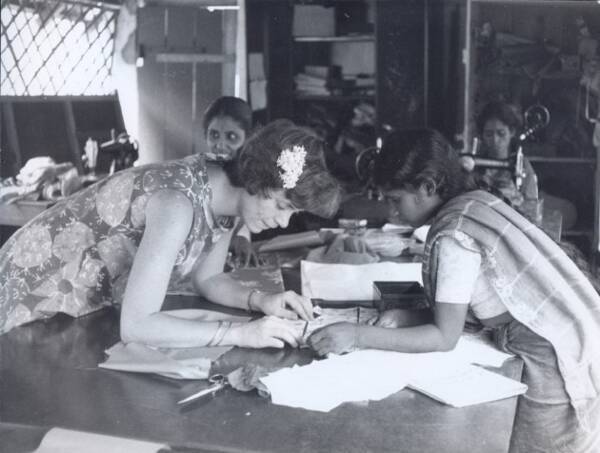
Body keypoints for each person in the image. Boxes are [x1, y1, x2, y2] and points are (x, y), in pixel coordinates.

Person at [308, 129, 600, 453]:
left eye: (395, 200)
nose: (391, 213)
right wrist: (412, 314)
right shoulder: (476, 203)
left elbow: (443, 338)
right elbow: (470, 301)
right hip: (566, 332)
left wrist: (356, 334)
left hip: (553, 351)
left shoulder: (454, 234)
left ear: (428, 187)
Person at [0, 119, 343, 350]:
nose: (283, 224)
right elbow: (135, 327)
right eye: (283, 206)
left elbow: (208, 280)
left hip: (70, 303)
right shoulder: (177, 204)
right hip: (27, 292)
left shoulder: (224, 196)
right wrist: (240, 333)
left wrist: (262, 301)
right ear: (256, 181)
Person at [474, 100, 577, 228]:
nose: (495, 140)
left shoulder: (522, 167)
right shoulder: (474, 165)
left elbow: (533, 215)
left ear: (511, 132)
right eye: (489, 134)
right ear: (482, 135)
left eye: (501, 134)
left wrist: (517, 199)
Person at [202, 96, 256, 267]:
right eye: (214, 135)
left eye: (231, 137)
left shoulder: (249, 173)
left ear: (247, 138)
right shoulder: (200, 172)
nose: (220, 145)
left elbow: (240, 211)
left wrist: (242, 237)